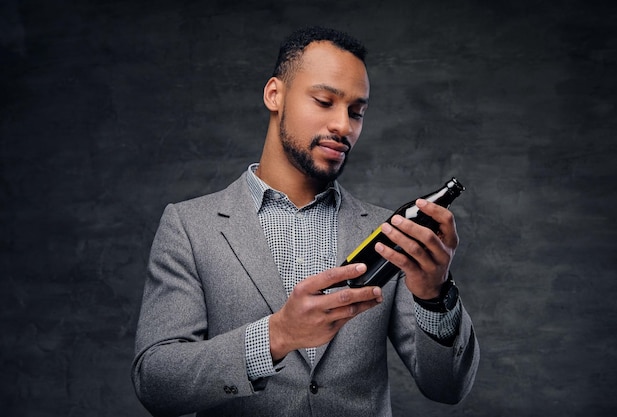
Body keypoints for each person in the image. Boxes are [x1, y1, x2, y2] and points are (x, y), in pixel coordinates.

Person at [132, 26, 479, 417]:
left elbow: (447, 388)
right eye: (324, 101)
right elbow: (156, 382)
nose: (343, 126)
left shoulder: (389, 234)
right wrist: (275, 337)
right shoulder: (190, 227)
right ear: (274, 94)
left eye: (356, 112)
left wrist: (435, 297)